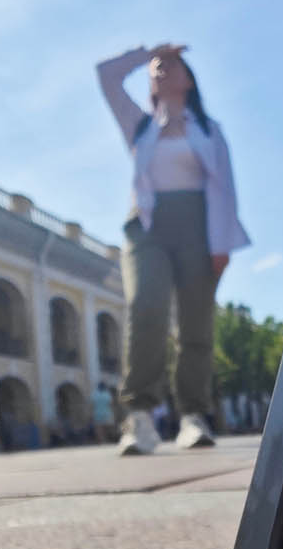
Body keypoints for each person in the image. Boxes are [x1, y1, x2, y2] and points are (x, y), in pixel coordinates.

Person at [96, 42, 250, 454]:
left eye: (170, 64)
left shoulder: (209, 130)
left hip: (199, 226)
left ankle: (193, 416)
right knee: (146, 305)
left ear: (188, 79)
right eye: (156, 67)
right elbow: (106, 74)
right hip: (147, 227)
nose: (161, 69)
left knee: (196, 323)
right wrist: (147, 53)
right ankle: (139, 416)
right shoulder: (139, 125)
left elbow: (226, 188)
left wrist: (222, 244)